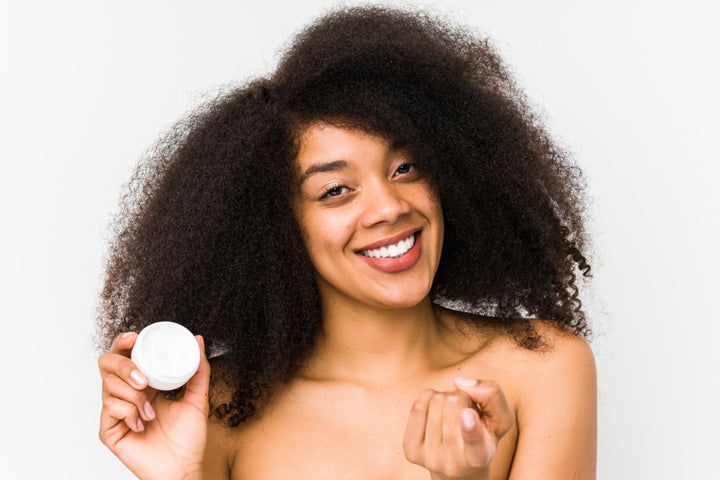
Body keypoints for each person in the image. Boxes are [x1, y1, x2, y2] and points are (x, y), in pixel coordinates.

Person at [97, 6, 596, 479]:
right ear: (275, 227)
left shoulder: (545, 369)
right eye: (335, 190)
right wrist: (178, 476)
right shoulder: (217, 406)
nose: (389, 207)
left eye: (406, 167)